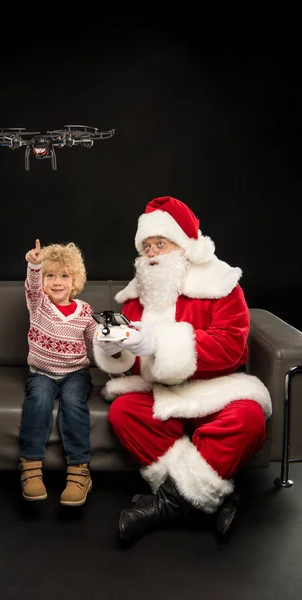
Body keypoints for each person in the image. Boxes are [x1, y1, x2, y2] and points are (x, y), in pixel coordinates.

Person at [92, 196, 272, 544]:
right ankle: (213, 499)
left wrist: (158, 343)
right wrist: (115, 348)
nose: (153, 252)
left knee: (249, 418)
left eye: (161, 242)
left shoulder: (222, 285)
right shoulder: (137, 295)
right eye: (147, 245)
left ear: (184, 245)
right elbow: (129, 357)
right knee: (124, 412)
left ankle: (165, 506)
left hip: (216, 390)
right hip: (161, 393)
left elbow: (230, 346)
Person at [19, 239, 97, 507]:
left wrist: (115, 342)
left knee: (74, 402)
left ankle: (79, 472)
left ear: (75, 281)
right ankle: (30, 468)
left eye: (64, 276)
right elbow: (31, 288)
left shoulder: (85, 311)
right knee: (39, 401)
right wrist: (35, 265)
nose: (57, 282)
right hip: (41, 373)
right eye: (50, 276)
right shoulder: (38, 305)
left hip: (75, 373)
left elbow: (96, 341)